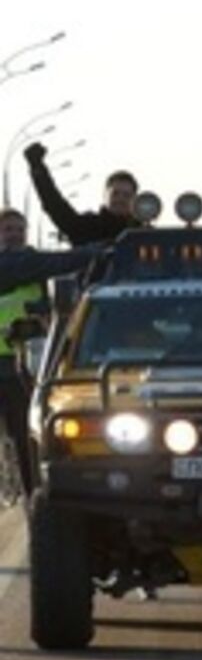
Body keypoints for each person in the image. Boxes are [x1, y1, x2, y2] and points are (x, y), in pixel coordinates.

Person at [0, 208, 101, 495]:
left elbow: (56, 295)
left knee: (24, 433)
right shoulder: (21, 264)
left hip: (23, 363)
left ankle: (32, 493)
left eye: (19, 229)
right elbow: (59, 261)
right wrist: (97, 250)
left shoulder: (33, 266)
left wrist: (40, 311)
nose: (15, 234)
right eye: (8, 229)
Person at [25, 143, 139, 246]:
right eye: (115, 194)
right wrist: (37, 167)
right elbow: (55, 205)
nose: (120, 199)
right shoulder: (87, 227)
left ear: (135, 200)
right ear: (105, 196)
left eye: (127, 195)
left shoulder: (142, 233)